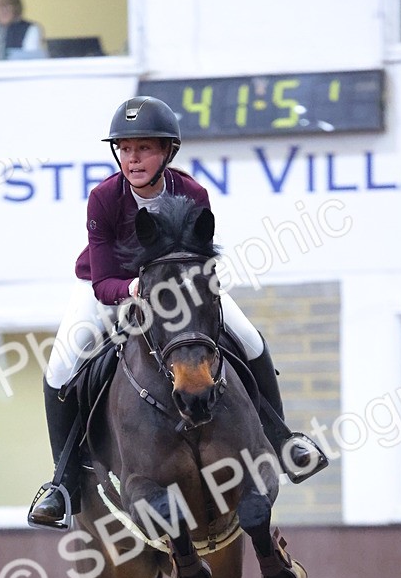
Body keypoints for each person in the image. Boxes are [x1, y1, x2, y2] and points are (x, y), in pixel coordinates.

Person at [28, 95, 320, 528]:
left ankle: (282, 441)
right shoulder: (104, 199)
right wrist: (139, 291)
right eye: (125, 149)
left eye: (143, 148)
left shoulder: (192, 192)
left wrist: (183, 295)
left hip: (181, 293)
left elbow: (203, 263)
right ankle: (64, 483)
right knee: (60, 367)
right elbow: (105, 281)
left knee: (250, 337)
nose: (133, 158)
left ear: (167, 152)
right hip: (111, 289)